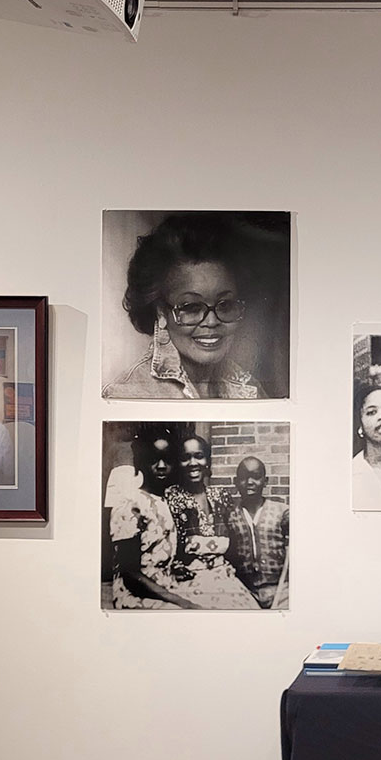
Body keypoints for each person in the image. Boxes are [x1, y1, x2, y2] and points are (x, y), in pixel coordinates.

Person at [106, 214, 266, 399]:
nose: (212, 321)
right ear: (161, 312)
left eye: (225, 305)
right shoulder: (128, 393)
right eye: (191, 307)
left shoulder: (249, 388)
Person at [105, 423, 201, 609]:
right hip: (136, 594)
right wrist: (181, 601)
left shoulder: (165, 500)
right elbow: (130, 574)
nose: (162, 466)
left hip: (166, 587)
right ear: (140, 462)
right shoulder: (130, 504)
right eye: (153, 460)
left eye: (167, 460)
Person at [166, 433, 261, 608]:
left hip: (224, 576)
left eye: (199, 456)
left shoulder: (221, 497)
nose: (193, 463)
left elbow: (236, 541)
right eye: (185, 458)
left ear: (207, 462)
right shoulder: (170, 498)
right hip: (188, 581)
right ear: (178, 464)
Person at [224, 457, 290, 609]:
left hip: (281, 590)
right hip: (246, 591)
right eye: (243, 477)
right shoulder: (230, 515)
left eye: (256, 476)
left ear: (265, 481)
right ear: (235, 482)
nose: (250, 482)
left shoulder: (283, 512)